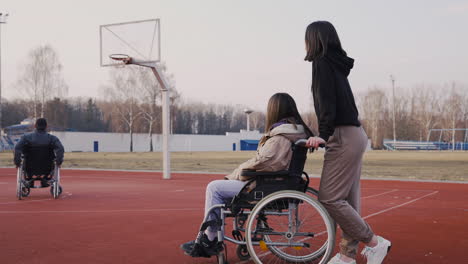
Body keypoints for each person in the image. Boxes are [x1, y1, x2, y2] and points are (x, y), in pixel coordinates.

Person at [180, 93, 314, 258]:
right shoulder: (293, 133)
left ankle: (210, 238)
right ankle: (212, 236)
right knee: (224, 188)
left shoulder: (280, 136)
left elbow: (264, 162)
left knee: (214, 188)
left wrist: (239, 172)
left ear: (274, 110)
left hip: (267, 185)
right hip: (278, 182)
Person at [304, 21, 391, 264]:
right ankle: (346, 257)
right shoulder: (336, 65)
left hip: (342, 135)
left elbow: (326, 101)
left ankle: (375, 242)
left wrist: (323, 133)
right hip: (354, 133)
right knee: (349, 201)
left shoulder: (321, 63)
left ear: (313, 39)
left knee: (330, 198)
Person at [14, 118, 64, 188]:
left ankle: (30, 181)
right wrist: (59, 162)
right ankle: (45, 180)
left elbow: (17, 148)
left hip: (29, 167)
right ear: (46, 126)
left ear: (35, 126)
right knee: (51, 164)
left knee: (26, 162)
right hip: (47, 167)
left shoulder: (26, 137)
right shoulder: (52, 138)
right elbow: (60, 149)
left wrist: (17, 162)